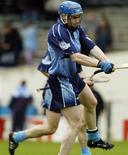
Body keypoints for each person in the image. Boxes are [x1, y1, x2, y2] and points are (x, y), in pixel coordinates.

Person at [8, 1, 114, 155]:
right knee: (77, 124)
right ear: (64, 17)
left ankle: (94, 138)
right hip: (59, 82)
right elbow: (75, 57)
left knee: (91, 103)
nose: (77, 20)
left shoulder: (77, 30)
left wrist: (105, 61)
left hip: (72, 79)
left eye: (79, 17)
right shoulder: (58, 32)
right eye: (74, 17)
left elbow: (91, 46)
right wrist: (100, 64)